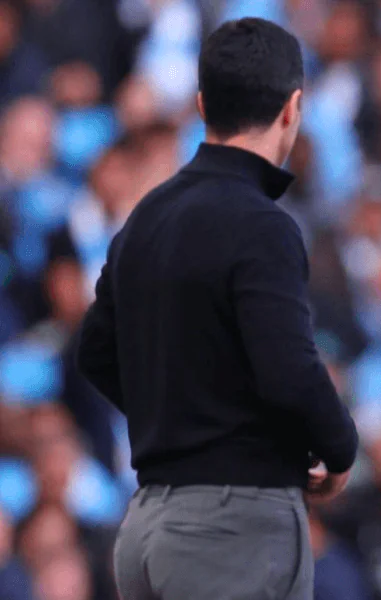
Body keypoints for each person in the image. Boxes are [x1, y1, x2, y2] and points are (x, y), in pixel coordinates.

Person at [75, 18, 359, 600]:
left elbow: (96, 351)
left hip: (148, 525)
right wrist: (339, 448)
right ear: (293, 107)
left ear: (202, 105)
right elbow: (289, 371)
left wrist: (178, 421)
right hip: (229, 531)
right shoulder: (263, 224)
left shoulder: (148, 216)